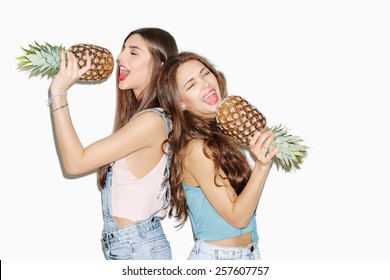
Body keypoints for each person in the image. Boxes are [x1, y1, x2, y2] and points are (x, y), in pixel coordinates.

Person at [48, 28, 178, 260]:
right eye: (122, 49)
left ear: (161, 66)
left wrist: (58, 92)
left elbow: (75, 163)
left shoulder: (151, 121)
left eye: (133, 52)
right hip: (132, 245)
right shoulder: (147, 118)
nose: (119, 57)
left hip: (137, 248)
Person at [157, 52, 280, 260]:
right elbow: (238, 218)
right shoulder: (196, 149)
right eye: (191, 85)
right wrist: (261, 166)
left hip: (245, 255)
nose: (205, 84)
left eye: (205, 73)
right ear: (181, 103)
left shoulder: (221, 136)